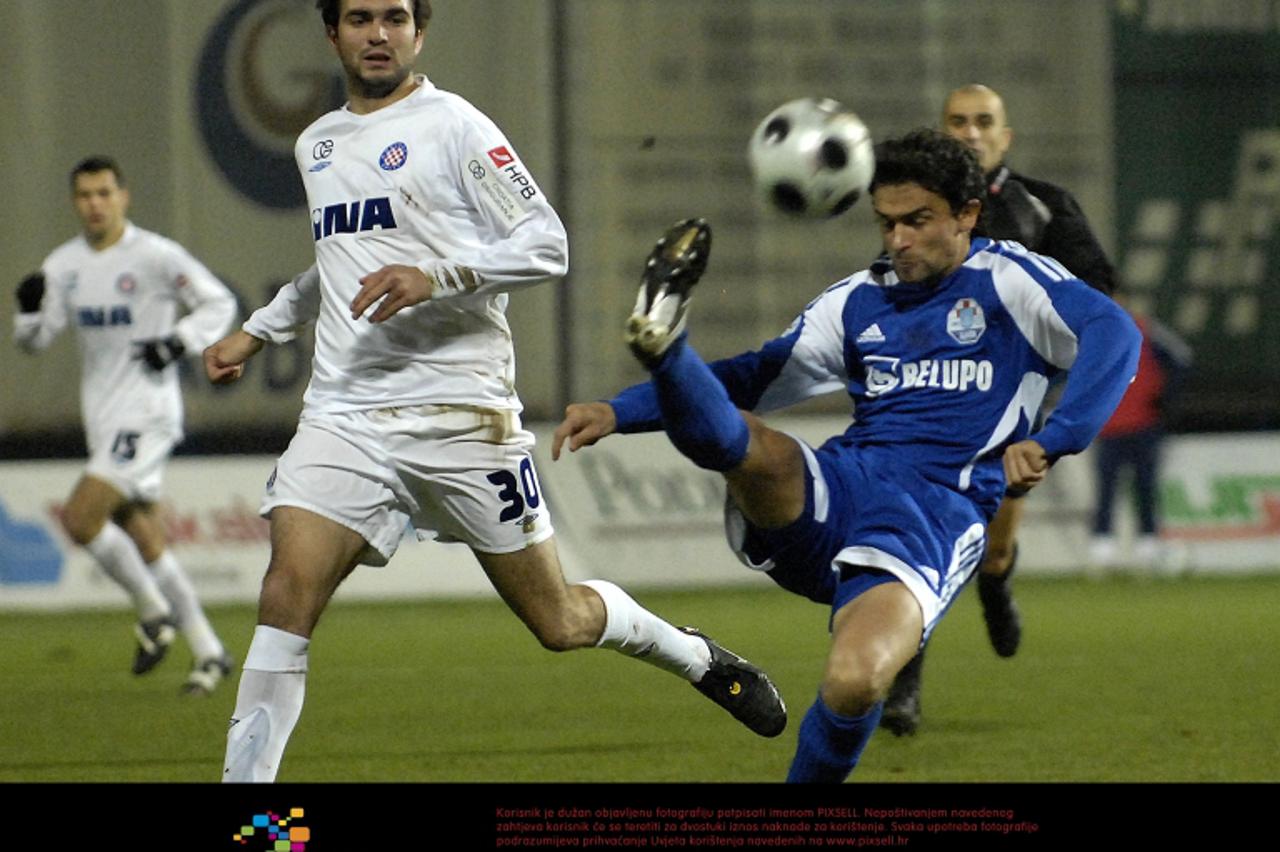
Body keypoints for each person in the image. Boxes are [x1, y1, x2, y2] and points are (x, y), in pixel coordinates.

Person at [204, 0, 784, 783]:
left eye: (397, 17)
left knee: (560, 621)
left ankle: (690, 654)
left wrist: (433, 276)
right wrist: (260, 330)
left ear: (420, 31)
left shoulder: (456, 126)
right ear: (331, 33)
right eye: (361, 18)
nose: (380, 34)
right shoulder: (318, 143)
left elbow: (546, 244)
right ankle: (253, 821)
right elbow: (337, 260)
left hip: (463, 418)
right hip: (346, 416)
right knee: (285, 597)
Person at [553, 129, 1141, 782]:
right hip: (844, 481)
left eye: (917, 221)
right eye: (886, 224)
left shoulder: (1010, 279)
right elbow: (756, 374)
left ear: (966, 214)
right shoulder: (858, 298)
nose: (898, 241)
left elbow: (1112, 331)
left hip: (933, 518)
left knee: (855, 680)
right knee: (757, 446)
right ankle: (667, 350)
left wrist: (1056, 436)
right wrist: (621, 410)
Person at [877, 83, 1121, 736]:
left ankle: (996, 578)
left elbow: (1099, 294)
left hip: (1010, 411)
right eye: (957, 121)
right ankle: (904, 688)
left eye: (984, 122)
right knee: (912, 543)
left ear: (1004, 137)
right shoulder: (915, 211)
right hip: (928, 405)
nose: (971, 132)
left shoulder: (1043, 208)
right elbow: (883, 289)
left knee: (989, 543)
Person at [12, 156, 238, 695]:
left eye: (104, 193)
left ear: (123, 196)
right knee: (146, 538)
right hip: (104, 417)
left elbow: (219, 301)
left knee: (80, 517)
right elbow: (36, 342)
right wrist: (25, 314)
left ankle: (155, 615)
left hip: (148, 412)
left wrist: (178, 342)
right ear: (75, 202)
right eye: (85, 195)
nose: (94, 204)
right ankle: (209, 651)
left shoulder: (155, 255)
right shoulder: (64, 265)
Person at [1089, 297, 1193, 572]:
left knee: (1143, 487)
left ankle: (1145, 545)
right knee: (1108, 490)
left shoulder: (1145, 329)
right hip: (1111, 425)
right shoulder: (1092, 334)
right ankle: (1104, 548)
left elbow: (1181, 358)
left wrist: (1164, 398)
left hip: (1143, 424)